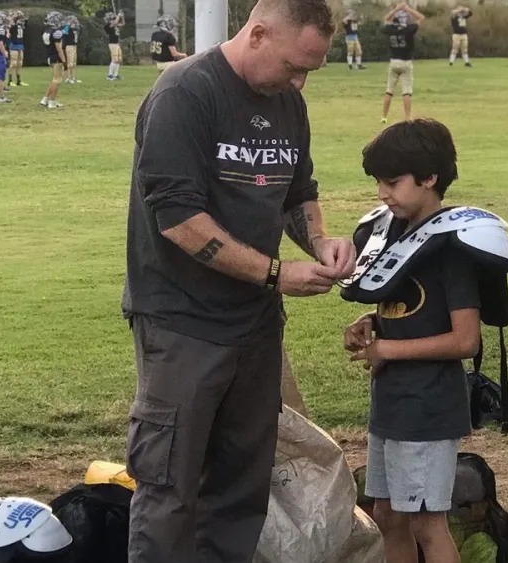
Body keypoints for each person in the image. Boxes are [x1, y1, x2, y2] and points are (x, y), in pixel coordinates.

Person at [121, 0, 356, 561]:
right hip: (183, 324)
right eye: (295, 66)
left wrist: (321, 243)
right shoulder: (185, 94)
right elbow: (178, 221)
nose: (300, 81)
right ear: (257, 34)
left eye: (311, 72)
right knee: (170, 484)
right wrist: (276, 273)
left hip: (255, 327)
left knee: (242, 482)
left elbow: (298, 191)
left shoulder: (287, 102)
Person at [345, 118, 479, 563]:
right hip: (393, 403)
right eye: (378, 182)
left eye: (393, 181)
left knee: (425, 521)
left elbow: (466, 340)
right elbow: (410, 306)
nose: (383, 193)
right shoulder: (394, 234)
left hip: (429, 408)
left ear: (429, 178)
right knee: (388, 515)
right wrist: (371, 322)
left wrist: (390, 350)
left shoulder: (452, 247)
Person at [381, 3, 424, 124]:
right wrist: (408, 9)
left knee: (389, 91)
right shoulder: (409, 29)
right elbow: (421, 18)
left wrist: (396, 9)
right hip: (406, 62)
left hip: (394, 61)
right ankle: (407, 117)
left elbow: (386, 19)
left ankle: (384, 116)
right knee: (406, 92)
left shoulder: (390, 29)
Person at [39, 11, 66, 109]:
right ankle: (52, 101)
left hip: (50, 56)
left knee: (54, 79)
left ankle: (46, 99)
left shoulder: (47, 31)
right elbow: (59, 48)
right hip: (56, 57)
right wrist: (64, 60)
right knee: (57, 80)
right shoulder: (56, 32)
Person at [7, 10, 27, 87]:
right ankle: (10, 80)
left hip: (20, 44)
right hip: (14, 44)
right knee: (13, 63)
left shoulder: (21, 25)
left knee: (20, 63)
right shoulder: (13, 26)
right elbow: (10, 26)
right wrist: (15, 16)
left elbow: (25, 21)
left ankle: (19, 80)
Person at [105, 11, 126, 80]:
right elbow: (115, 23)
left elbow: (123, 24)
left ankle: (116, 75)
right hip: (112, 44)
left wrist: (122, 17)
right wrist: (118, 16)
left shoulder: (116, 25)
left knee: (118, 60)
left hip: (117, 44)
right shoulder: (108, 25)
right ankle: (110, 75)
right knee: (114, 60)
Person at [63, 15, 81, 84]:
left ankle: (74, 78)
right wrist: (68, 24)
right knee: (70, 63)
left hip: (74, 46)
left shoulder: (75, 30)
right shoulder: (67, 28)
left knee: (74, 63)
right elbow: (64, 32)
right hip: (69, 46)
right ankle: (68, 78)